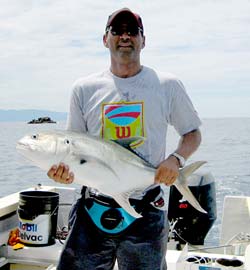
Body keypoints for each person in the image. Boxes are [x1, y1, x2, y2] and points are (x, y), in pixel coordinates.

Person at [47, 7, 202, 270]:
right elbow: (73, 145)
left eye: (133, 31)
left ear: (144, 40)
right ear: (105, 39)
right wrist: (63, 171)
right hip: (92, 209)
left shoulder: (167, 85)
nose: (125, 36)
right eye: (116, 31)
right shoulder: (84, 89)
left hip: (146, 210)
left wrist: (176, 160)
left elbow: (192, 133)